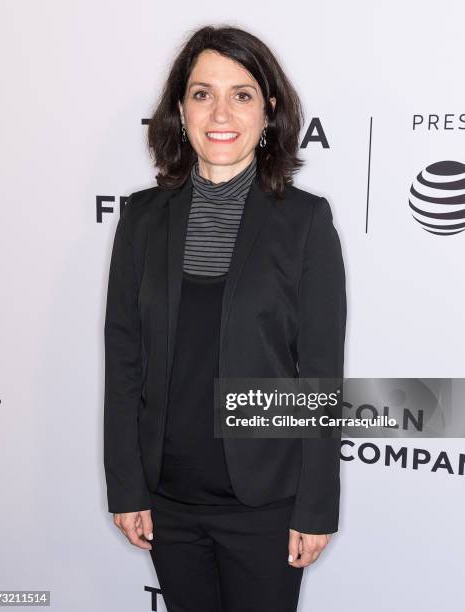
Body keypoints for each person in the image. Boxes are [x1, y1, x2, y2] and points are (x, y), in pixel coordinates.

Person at [104, 24, 346, 612]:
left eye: (241, 93)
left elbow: (320, 375)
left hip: (266, 504)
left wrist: (315, 506)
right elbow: (123, 362)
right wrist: (127, 487)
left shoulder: (305, 223)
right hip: (168, 502)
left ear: (268, 111)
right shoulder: (141, 217)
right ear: (180, 109)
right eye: (202, 92)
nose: (221, 111)